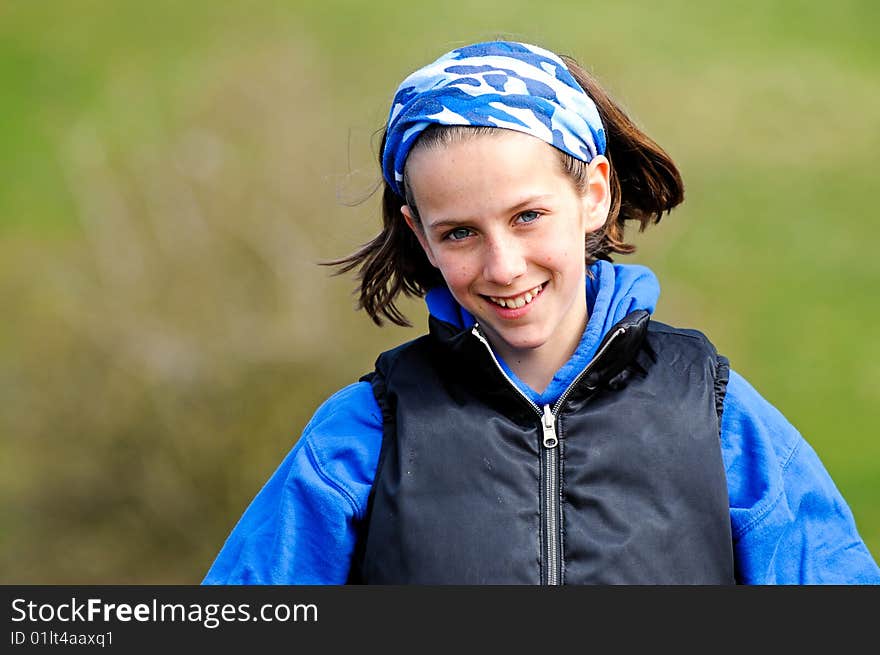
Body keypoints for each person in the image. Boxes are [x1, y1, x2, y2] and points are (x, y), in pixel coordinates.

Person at [202, 40, 880, 584]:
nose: (503, 266)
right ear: (419, 235)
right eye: (460, 232)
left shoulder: (716, 414)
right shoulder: (361, 436)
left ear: (594, 193)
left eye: (527, 216)